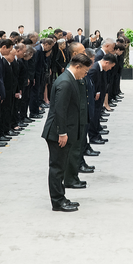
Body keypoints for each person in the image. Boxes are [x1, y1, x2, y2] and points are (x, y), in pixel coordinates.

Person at [42, 53, 92, 213]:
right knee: (57, 168)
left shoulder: (70, 79)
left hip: (63, 130)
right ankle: (57, 202)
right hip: (58, 132)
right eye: (85, 71)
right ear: (77, 66)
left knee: (61, 167)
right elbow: (60, 110)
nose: (85, 74)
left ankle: (61, 197)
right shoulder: (65, 82)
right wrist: (62, 132)